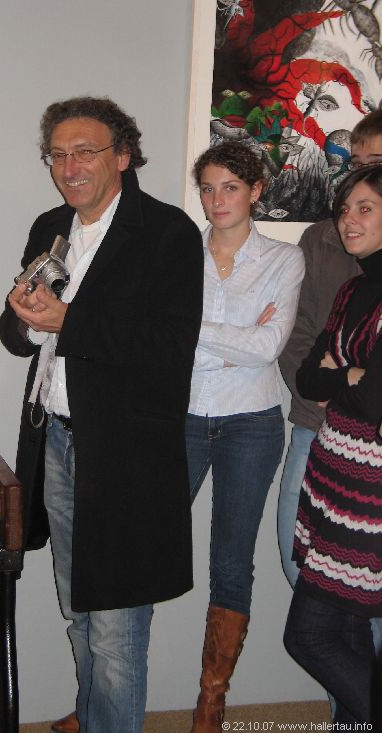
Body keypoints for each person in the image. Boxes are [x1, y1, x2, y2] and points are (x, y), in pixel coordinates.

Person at [0, 96, 204, 733]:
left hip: (125, 456)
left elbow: (169, 346)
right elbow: (14, 334)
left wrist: (69, 321)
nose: (69, 167)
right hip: (56, 444)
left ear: (122, 156)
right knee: (80, 614)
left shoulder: (167, 232)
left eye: (85, 151)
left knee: (115, 630)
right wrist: (26, 320)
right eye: (57, 155)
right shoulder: (49, 226)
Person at [186, 141, 305, 733]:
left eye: (230, 187)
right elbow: (160, 339)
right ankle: (111, 696)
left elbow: (267, 347)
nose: (217, 200)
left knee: (232, 561)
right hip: (182, 416)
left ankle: (212, 702)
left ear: (256, 191)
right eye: (208, 188)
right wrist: (234, 341)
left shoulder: (284, 259)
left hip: (252, 423)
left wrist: (194, 332)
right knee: (141, 546)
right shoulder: (180, 255)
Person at [283, 164, 382, 725]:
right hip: (332, 478)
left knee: (309, 636)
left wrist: (336, 376)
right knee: (347, 634)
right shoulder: (352, 290)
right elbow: (307, 379)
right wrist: (348, 374)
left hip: (370, 497)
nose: (348, 220)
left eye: (365, 208)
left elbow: (372, 400)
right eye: (345, 209)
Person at [278, 109, 382, 588]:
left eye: (375, 162)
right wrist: (329, 386)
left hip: (371, 440)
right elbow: (299, 332)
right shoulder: (321, 237)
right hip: (314, 423)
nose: (360, 174)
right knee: (300, 566)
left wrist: (342, 383)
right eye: (356, 163)